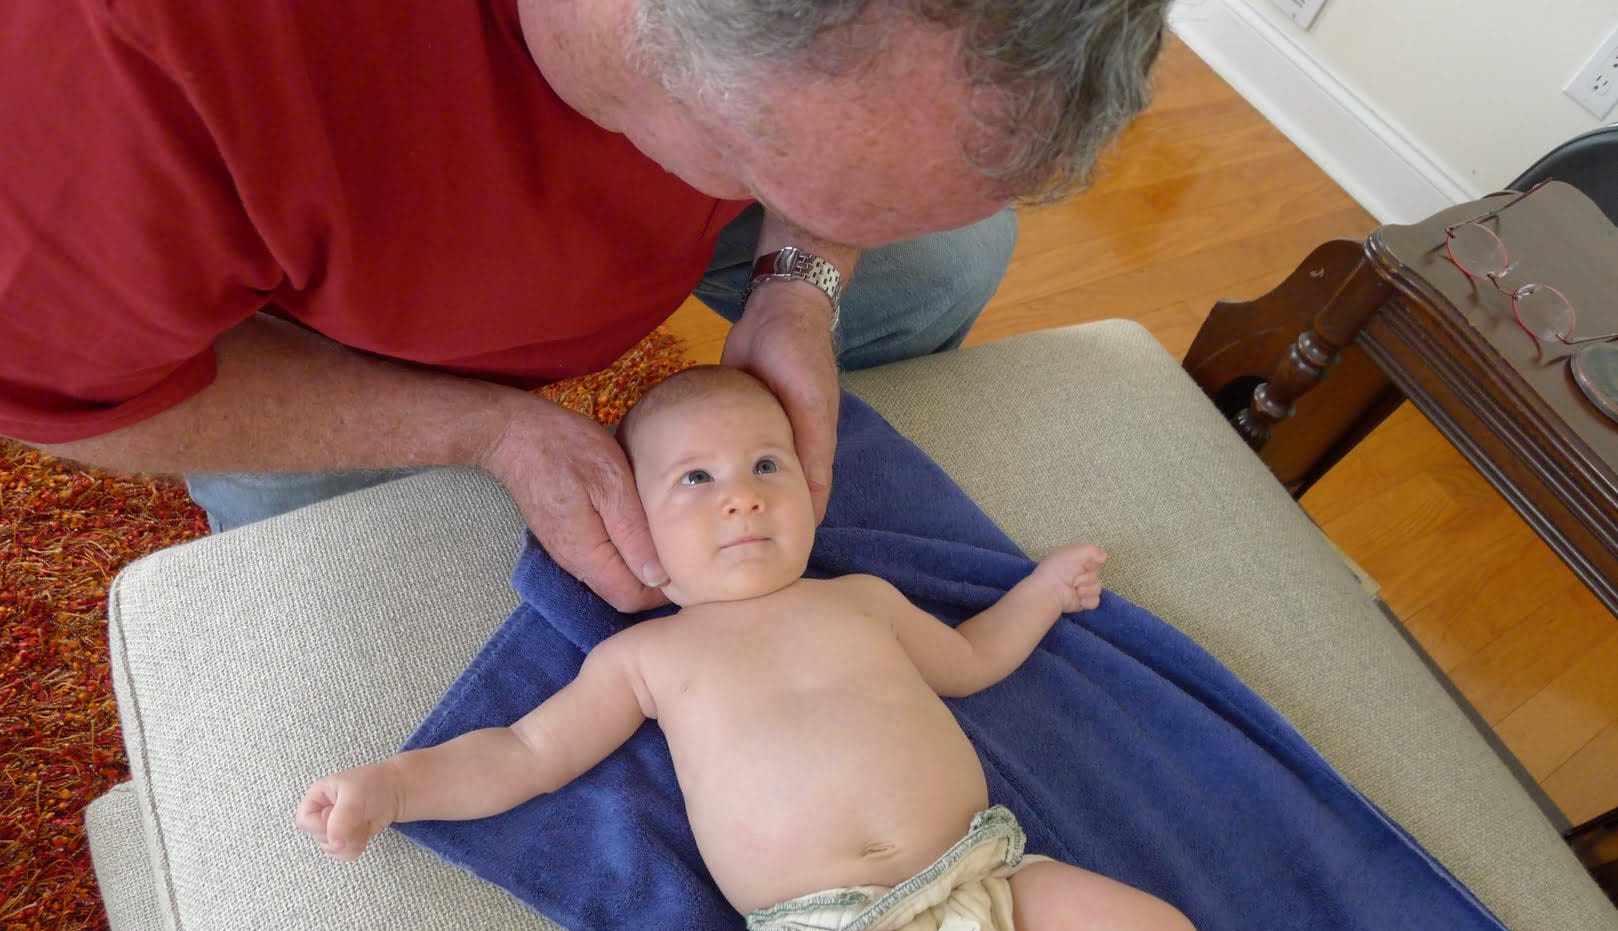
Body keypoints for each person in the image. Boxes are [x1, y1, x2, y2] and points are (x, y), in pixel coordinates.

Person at [1, 1, 1168, 613]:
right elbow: (83, 404)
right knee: (342, 586)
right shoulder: (115, 64)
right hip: (310, 340)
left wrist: (801, 280)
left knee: (956, 263)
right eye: (764, 180)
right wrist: (484, 429)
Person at [296, 366, 1211, 931]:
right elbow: (525, 752)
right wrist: (394, 786)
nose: (742, 494)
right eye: (695, 478)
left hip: (996, 883)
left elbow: (971, 661)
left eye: (766, 465)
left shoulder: (862, 599)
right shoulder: (647, 660)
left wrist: (1042, 593)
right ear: (633, 534)